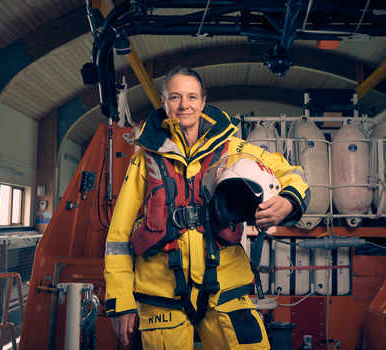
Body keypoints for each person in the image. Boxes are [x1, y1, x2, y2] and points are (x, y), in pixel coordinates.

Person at [104, 67, 310, 349]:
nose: (183, 105)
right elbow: (118, 236)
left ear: (203, 101)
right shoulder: (144, 159)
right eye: (175, 97)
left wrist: (288, 201)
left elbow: (294, 175)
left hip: (225, 289)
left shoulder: (234, 148)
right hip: (160, 294)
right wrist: (121, 302)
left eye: (191, 96)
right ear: (164, 103)